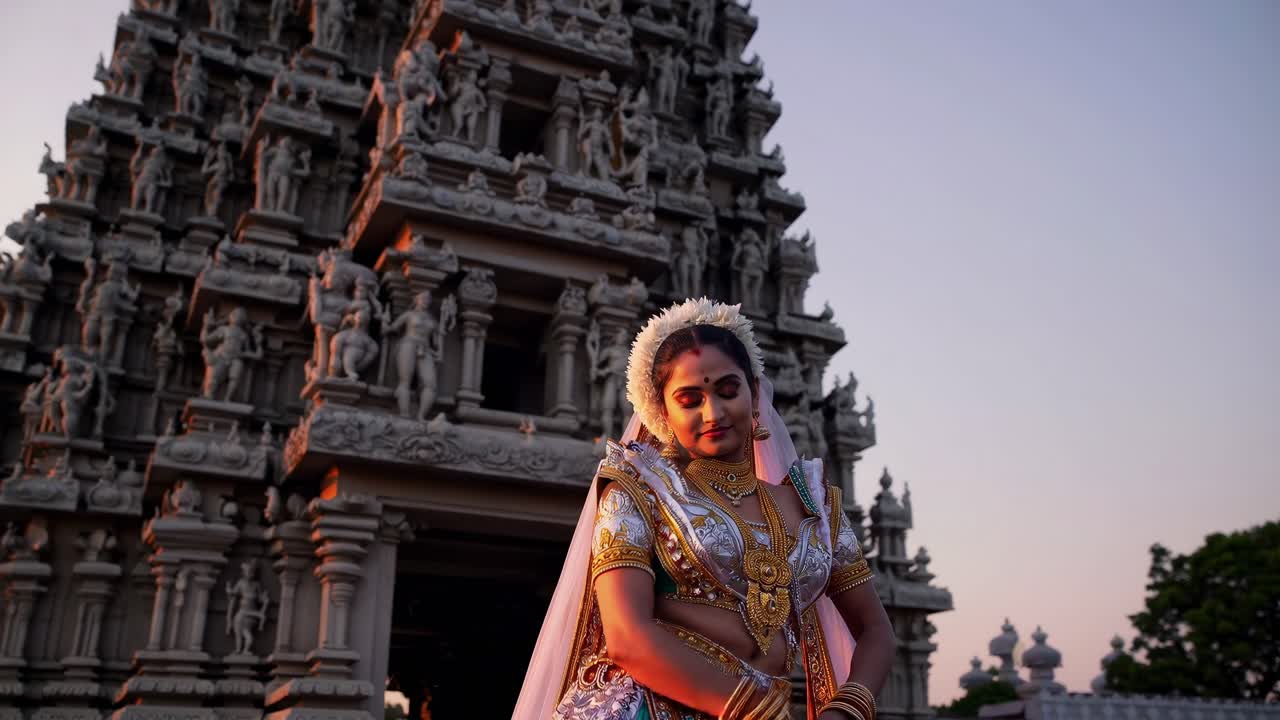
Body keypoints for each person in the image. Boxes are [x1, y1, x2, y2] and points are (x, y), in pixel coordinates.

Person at [515, 298, 896, 719]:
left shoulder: (814, 508)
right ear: (663, 411)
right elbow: (627, 636)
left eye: (727, 391)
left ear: (754, 394)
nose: (712, 412)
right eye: (690, 399)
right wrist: (755, 712)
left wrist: (845, 710)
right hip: (651, 709)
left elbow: (875, 630)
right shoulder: (640, 492)